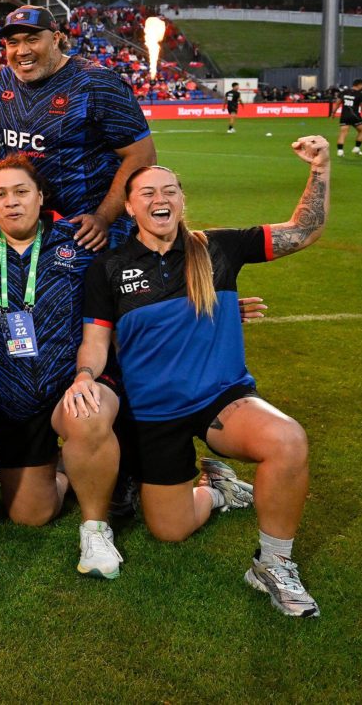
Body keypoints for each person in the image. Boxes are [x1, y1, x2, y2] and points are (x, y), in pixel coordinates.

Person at [74, 138, 330, 617]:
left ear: (182, 200)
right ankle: (217, 490)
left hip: (222, 401)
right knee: (169, 529)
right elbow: (95, 341)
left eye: (169, 190)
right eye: (147, 193)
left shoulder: (218, 248)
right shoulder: (108, 269)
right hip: (153, 415)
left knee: (288, 440)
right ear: (129, 207)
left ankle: (273, 565)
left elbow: (304, 230)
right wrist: (86, 376)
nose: (159, 199)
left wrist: (320, 168)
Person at [0, 155, 127, 578]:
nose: (12, 202)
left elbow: (153, 256)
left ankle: (96, 530)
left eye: (21, 192)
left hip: (73, 380)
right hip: (11, 398)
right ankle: (72, 467)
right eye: (0, 194)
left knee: (85, 415)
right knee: (30, 514)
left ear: (40, 196)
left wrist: (211, 299)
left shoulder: (80, 240)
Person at [0, 6, 156, 251]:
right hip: (30, 232)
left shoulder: (97, 82)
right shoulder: (5, 78)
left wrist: (103, 217)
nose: (22, 51)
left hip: (86, 233)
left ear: (56, 39)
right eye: (12, 42)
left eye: (33, 39)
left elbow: (142, 155)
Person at [334, 78, 362, 157]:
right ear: (359, 85)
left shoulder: (344, 92)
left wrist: (333, 113)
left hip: (344, 116)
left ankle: (340, 151)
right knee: (361, 131)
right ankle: (357, 148)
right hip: (355, 116)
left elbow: (337, 103)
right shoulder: (360, 94)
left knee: (343, 133)